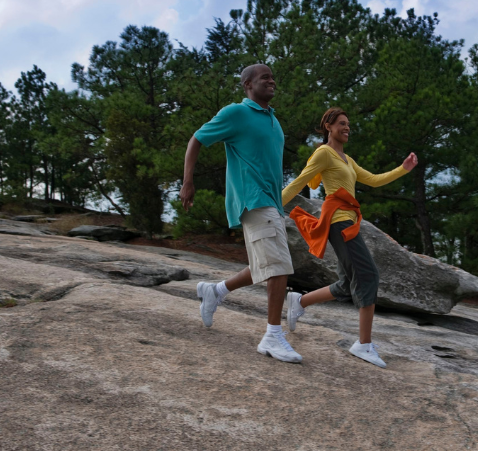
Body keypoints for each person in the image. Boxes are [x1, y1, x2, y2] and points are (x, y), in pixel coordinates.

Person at [179, 64, 302, 364]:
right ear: (247, 84)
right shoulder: (236, 113)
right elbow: (196, 138)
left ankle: (215, 291)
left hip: (271, 202)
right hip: (253, 199)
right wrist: (188, 181)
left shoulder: (273, 119)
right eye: (264, 78)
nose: (272, 81)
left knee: (266, 264)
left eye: (274, 77)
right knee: (279, 267)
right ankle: (272, 335)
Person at [281, 107, 418, 368]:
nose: (347, 128)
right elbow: (300, 181)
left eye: (349, 125)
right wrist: (274, 204)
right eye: (342, 124)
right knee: (368, 276)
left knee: (347, 283)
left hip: (350, 223)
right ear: (328, 127)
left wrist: (403, 168)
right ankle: (363, 344)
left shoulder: (347, 160)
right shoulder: (324, 153)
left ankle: (300, 300)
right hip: (338, 222)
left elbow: (375, 180)